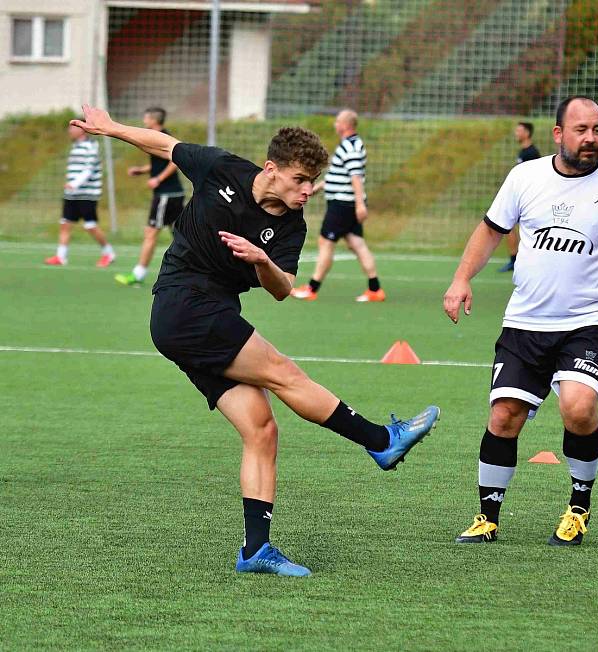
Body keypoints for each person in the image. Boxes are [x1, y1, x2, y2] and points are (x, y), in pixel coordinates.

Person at [71, 104, 440, 577]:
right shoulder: (221, 168)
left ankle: (256, 550)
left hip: (213, 313)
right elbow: (164, 144)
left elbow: (285, 288)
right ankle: (380, 440)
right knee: (284, 373)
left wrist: (262, 260)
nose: (308, 190)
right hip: (183, 302)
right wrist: (108, 128)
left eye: (313, 182)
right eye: (300, 179)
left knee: (261, 428)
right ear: (272, 170)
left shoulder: (291, 225)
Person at [443, 96, 598, 547]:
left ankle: (579, 507)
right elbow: (490, 230)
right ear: (558, 134)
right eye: (581, 130)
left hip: (588, 323)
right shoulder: (525, 177)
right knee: (504, 416)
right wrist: (462, 278)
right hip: (525, 322)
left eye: (597, 129)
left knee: (578, 407)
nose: (590, 138)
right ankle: (487, 517)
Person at [290, 109, 384, 302]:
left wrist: (360, 204)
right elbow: (339, 174)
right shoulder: (349, 145)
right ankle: (375, 289)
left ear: (345, 125)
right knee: (356, 243)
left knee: (326, 242)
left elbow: (355, 177)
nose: (335, 124)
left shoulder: (350, 147)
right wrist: (319, 187)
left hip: (343, 204)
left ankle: (312, 288)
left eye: (337, 121)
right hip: (345, 202)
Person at [115, 107, 184, 287]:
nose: (144, 119)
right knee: (181, 235)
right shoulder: (157, 136)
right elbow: (161, 162)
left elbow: (175, 160)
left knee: (151, 233)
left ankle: (138, 274)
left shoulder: (164, 137)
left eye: (146, 117)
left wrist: (158, 179)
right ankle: (198, 270)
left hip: (166, 195)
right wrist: (143, 170)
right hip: (171, 194)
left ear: (154, 120)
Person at [44, 120, 115, 267]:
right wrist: (70, 187)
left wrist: (74, 184)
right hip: (71, 195)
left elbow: (88, 170)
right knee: (65, 224)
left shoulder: (91, 147)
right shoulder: (75, 147)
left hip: (87, 194)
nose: (69, 131)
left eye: (72, 128)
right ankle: (61, 256)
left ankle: (108, 253)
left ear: (82, 129)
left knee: (90, 226)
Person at [497, 121, 541, 273]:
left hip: (529, 197)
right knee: (508, 226)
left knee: (510, 226)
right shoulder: (523, 152)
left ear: (527, 133)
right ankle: (515, 260)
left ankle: (517, 260)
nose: (516, 133)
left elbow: (536, 176)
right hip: (521, 196)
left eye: (519, 130)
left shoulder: (531, 153)